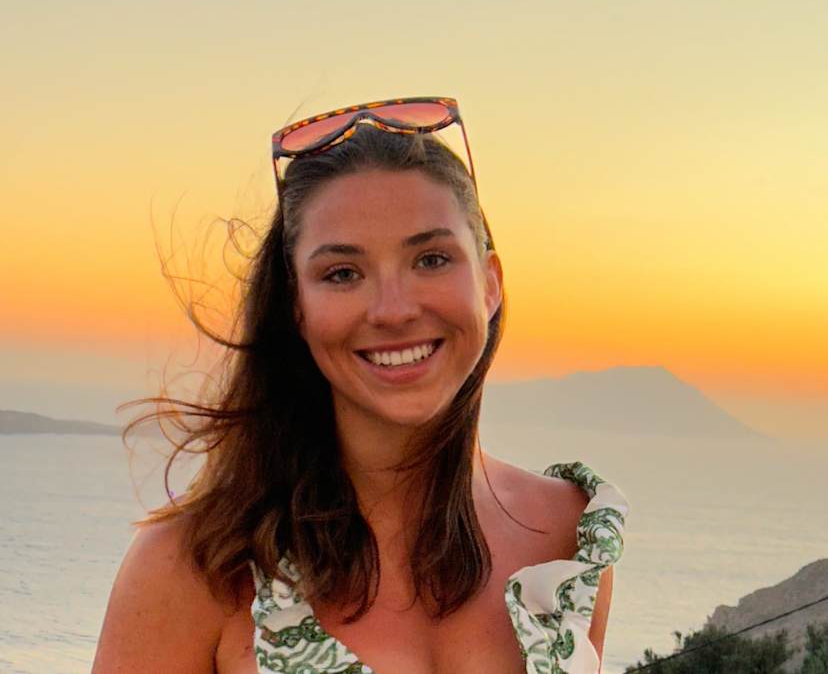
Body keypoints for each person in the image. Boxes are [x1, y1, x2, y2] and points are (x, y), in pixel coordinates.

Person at [92, 96, 629, 674]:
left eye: (431, 259)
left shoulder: (572, 540)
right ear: (296, 307)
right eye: (343, 273)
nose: (393, 310)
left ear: (489, 283)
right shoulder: (196, 568)